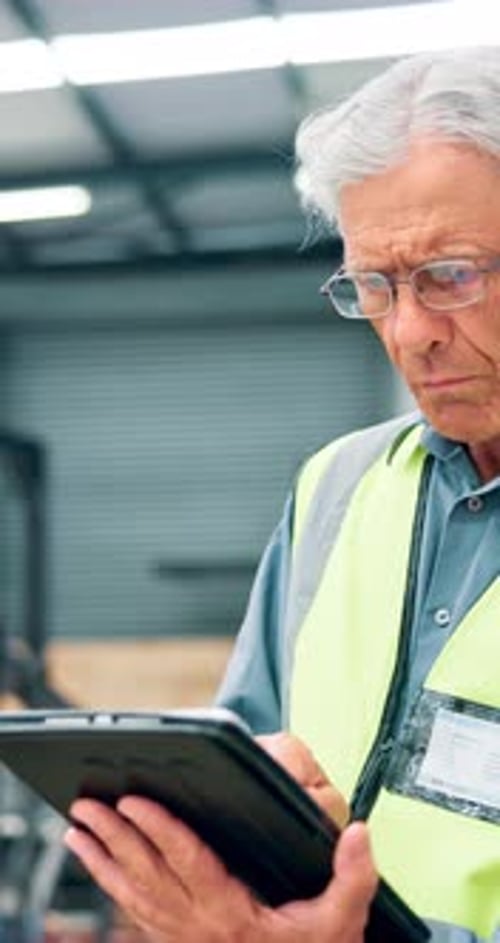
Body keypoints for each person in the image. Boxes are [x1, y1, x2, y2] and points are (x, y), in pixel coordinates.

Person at [64, 45, 500, 943]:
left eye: (450, 275)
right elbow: (255, 748)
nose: (409, 332)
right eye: (375, 286)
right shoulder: (339, 486)